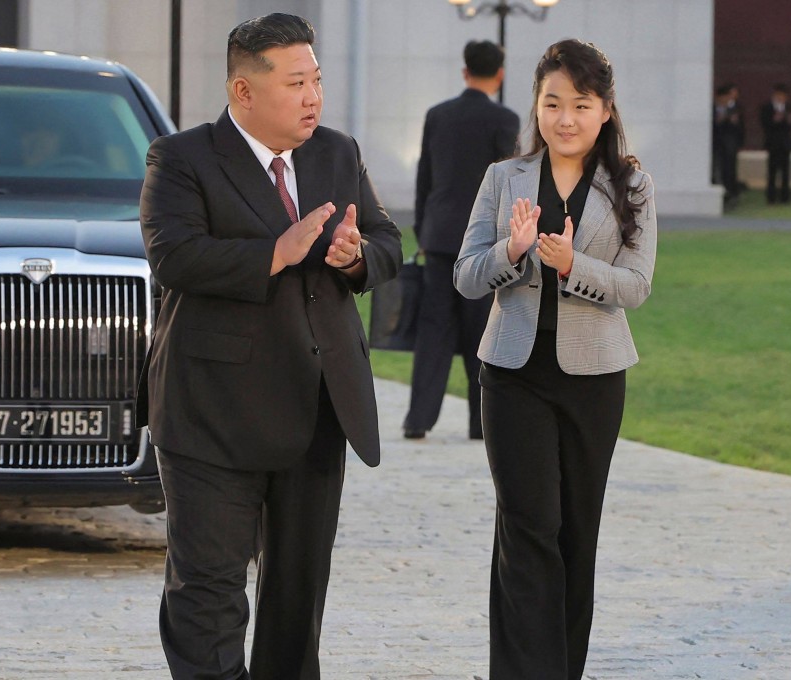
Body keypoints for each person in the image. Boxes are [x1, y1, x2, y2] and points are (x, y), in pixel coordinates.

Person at [137, 13, 402, 680]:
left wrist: (354, 256)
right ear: (244, 92)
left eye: (316, 80)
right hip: (212, 417)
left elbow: (388, 244)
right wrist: (273, 253)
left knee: (296, 602)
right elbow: (174, 256)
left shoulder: (337, 152)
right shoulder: (181, 158)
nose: (313, 96)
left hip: (316, 409)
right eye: (296, 83)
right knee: (208, 594)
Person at [454, 39, 657, 679]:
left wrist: (573, 266)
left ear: (603, 110)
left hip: (594, 380)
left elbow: (636, 285)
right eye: (552, 103)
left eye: (580, 104)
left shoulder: (633, 184)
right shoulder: (502, 178)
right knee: (526, 527)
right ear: (535, 106)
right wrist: (512, 254)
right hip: (512, 377)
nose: (564, 118)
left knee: (575, 533)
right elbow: (464, 276)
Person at [403, 40, 520, 441]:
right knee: (480, 333)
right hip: (482, 244)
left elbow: (425, 179)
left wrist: (423, 230)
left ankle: (418, 419)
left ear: (464, 70)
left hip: (437, 237)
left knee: (432, 332)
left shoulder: (438, 115)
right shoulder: (505, 119)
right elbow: (508, 184)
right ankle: (479, 423)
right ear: (500, 74)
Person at [760, 83, 791, 204]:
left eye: (783, 96)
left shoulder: (789, 107)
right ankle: (771, 197)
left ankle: (785, 197)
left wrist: (789, 121)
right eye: (779, 95)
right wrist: (774, 120)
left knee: (785, 171)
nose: (781, 98)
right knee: (772, 171)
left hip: (785, 143)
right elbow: (765, 124)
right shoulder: (767, 107)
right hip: (773, 142)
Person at [712, 83, 742, 205]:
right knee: (716, 170)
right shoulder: (713, 110)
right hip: (716, 145)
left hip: (730, 145)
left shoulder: (734, 110)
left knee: (730, 170)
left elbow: (740, 129)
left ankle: (732, 194)